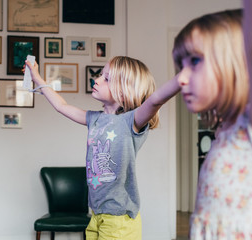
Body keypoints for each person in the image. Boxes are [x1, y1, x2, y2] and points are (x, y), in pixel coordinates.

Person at [25, 56, 180, 239]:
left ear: (124, 92)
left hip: (119, 219)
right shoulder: (94, 119)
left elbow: (155, 100)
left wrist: (182, 79)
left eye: (107, 78)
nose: (97, 79)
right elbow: (61, 106)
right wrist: (37, 77)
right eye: (100, 75)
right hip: (97, 214)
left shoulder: (130, 121)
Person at [172, 0, 252, 238]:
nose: (181, 78)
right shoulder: (226, 130)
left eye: (195, 61)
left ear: (241, 61)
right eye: (180, 65)